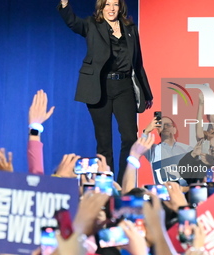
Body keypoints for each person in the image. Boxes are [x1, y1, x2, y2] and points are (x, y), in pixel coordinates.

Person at [58, 0, 153, 184]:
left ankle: (124, 183)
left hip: (124, 87)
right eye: (107, 4)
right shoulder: (92, 25)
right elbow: (73, 23)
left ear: (120, 7)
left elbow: (138, 63)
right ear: (101, 7)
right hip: (99, 88)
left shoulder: (130, 28)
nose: (111, 8)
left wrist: (146, 93)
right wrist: (64, 5)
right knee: (104, 142)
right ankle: (106, 185)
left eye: (115, 4)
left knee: (129, 137)